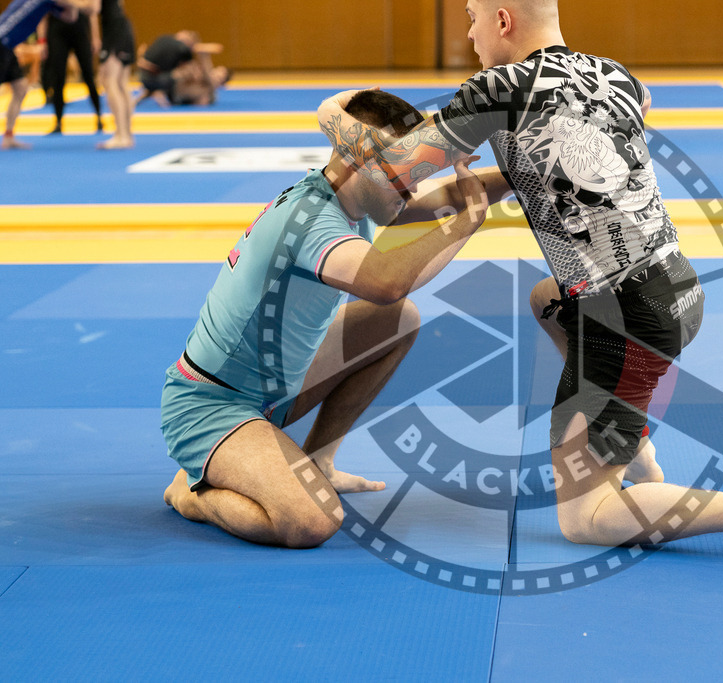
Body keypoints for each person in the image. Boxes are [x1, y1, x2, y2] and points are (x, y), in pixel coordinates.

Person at [318, 0, 723, 547]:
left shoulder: (498, 88)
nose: (470, 33)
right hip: (676, 287)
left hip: (625, 319)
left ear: (503, 20)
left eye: (472, 17)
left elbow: (393, 172)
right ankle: (639, 457)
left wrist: (334, 111)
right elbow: (604, 130)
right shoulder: (616, 75)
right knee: (546, 299)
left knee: (585, 519)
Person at [161, 90, 512, 548]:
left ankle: (318, 459)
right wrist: (465, 223)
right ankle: (191, 494)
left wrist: (521, 176)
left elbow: (441, 199)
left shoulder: (353, 193)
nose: (412, 188)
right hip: (212, 403)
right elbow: (385, 282)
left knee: (396, 320)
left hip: (276, 389)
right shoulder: (311, 221)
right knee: (310, 522)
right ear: (359, 161)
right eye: (403, 176)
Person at [0, 0, 96, 149]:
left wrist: (75, 6)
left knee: (20, 88)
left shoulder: (50, 4)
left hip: (8, 45)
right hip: (2, 42)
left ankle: (8, 136)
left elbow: (71, 17)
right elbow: (90, 8)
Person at [41, 6, 102, 134]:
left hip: (80, 30)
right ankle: (58, 121)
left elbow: (92, 13)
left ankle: (99, 117)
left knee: (88, 76)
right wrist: (42, 41)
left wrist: (95, 37)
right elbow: (43, 15)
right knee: (58, 78)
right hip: (57, 32)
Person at [135, 30, 224, 108]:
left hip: (170, 87)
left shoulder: (182, 56)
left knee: (202, 85)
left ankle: (158, 90)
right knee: (188, 74)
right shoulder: (173, 50)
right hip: (161, 82)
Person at [94, 0, 133, 149]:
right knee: (122, 83)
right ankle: (126, 135)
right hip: (124, 26)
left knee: (110, 82)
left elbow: (93, 7)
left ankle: (121, 135)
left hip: (114, 30)